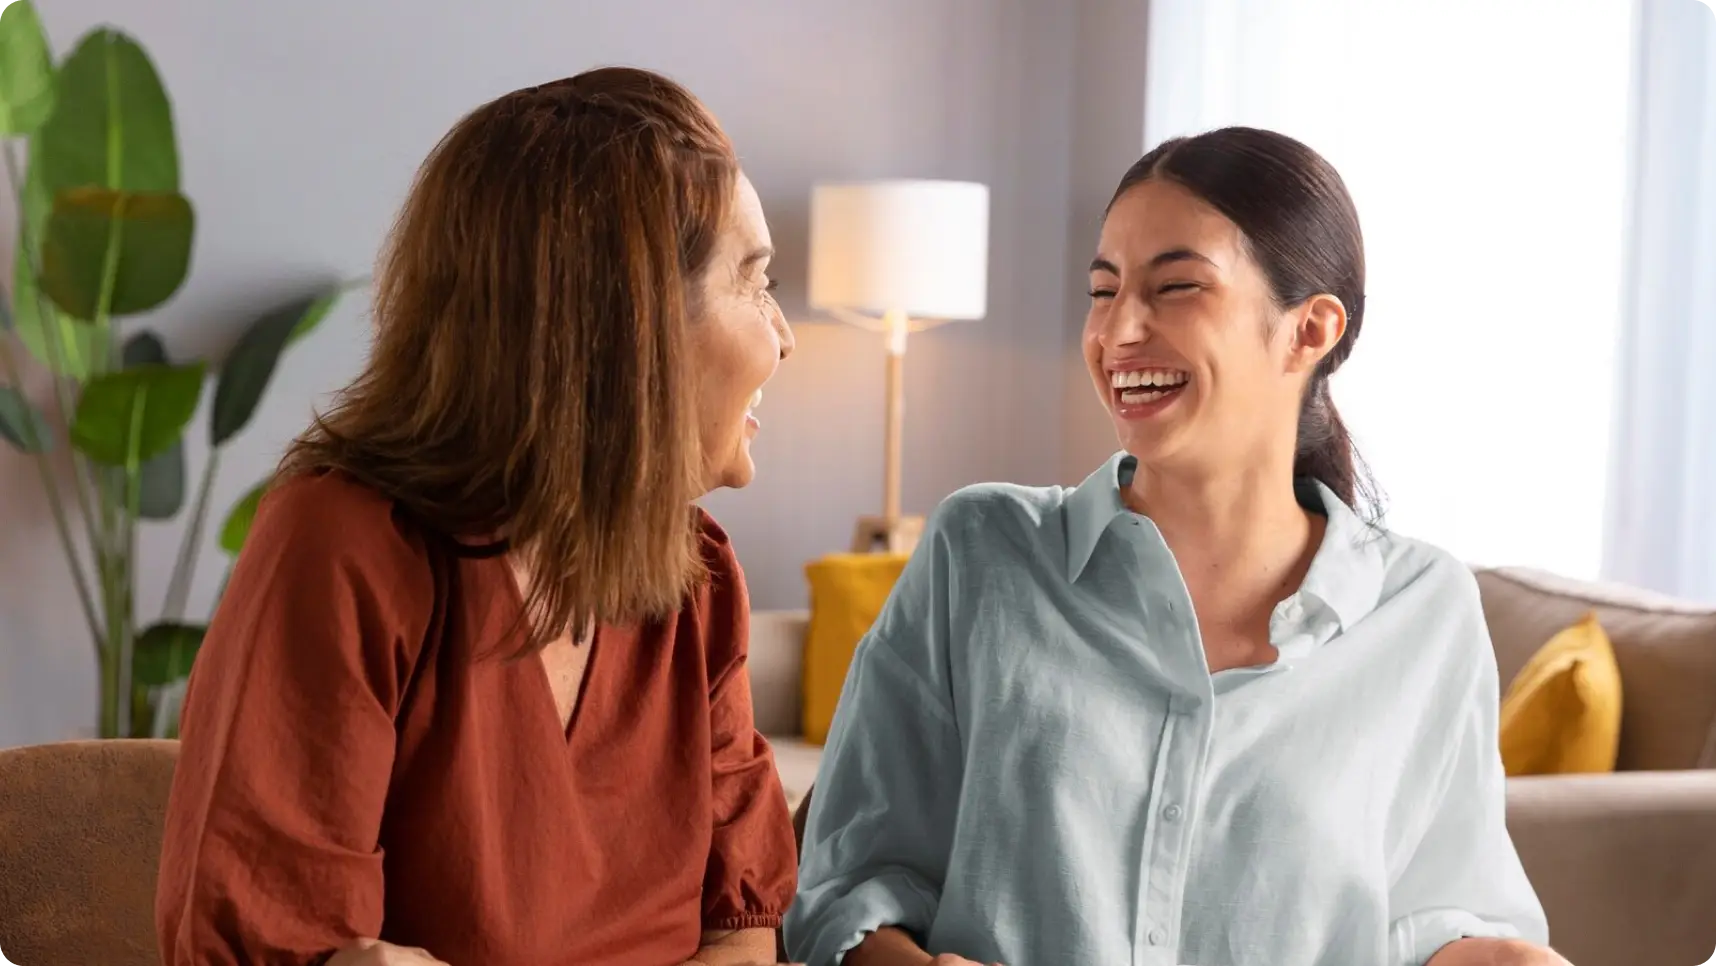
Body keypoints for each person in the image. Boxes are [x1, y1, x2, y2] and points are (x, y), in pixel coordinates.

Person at [785, 127, 1570, 966]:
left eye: (1177, 287)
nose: (1119, 330)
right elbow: (843, 887)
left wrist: (1503, 957)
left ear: (1309, 332)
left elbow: (1437, 918)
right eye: (1102, 289)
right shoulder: (980, 554)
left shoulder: (1423, 609)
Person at [155, 67, 799, 966]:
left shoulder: (697, 576)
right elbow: (271, 941)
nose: (783, 334)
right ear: (628, 321)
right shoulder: (346, 548)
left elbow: (744, 935)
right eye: (753, 281)